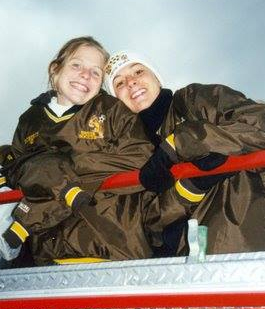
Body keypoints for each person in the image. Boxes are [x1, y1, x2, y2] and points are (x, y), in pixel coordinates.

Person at [1, 38, 162, 265]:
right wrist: (37, 171)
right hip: (48, 256)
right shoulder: (29, 120)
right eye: (76, 65)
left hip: (115, 248)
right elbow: (17, 170)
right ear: (56, 70)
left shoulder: (112, 110)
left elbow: (140, 158)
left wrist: (57, 168)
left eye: (96, 72)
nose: (85, 75)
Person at [104, 51, 265, 255]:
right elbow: (149, 223)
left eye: (138, 71)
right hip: (192, 263)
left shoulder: (192, 101)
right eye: (119, 83)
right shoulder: (129, 151)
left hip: (248, 240)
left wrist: (181, 143)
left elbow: (259, 123)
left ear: (156, 77)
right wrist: (190, 187)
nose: (131, 82)